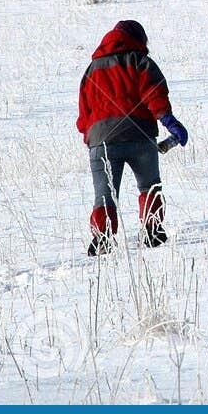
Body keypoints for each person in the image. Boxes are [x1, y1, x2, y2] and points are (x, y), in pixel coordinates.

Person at [76, 19, 189, 255]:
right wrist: (170, 122)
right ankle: (152, 230)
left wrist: (91, 136)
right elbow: (155, 94)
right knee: (150, 186)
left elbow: (83, 114)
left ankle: (102, 238)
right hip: (140, 136)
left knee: (104, 196)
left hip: (102, 143)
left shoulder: (91, 70)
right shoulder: (141, 62)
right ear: (138, 39)